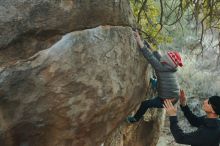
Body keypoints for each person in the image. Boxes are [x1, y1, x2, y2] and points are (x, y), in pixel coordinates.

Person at [126, 31, 183, 123]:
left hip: (167, 100)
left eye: (167, 55)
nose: (164, 55)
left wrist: (139, 41)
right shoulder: (169, 67)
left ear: (167, 60)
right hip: (172, 94)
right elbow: (156, 54)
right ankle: (154, 83)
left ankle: (134, 119)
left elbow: (149, 56)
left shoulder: (160, 67)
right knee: (157, 82)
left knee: (145, 104)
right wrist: (147, 45)